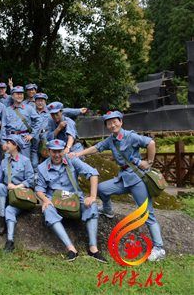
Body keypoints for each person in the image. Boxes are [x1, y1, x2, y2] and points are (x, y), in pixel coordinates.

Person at [68, 111, 165, 262]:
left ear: (121, 122)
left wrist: (149, 162)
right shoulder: (111, 140)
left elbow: (150, 143)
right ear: (106, 126)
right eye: (109, 123)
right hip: (123, 177)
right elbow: (96, 148)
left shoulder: (130, 136)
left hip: (137, 179)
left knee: (147, 214)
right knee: (101, 189)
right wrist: (77, 154)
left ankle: (159, 248)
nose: (112, 125)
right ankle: (108, 210)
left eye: (115, 122)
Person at [36, 139, 107, 262]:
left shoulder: (71, 159)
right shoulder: (42, 167)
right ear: (48, 152)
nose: (57, 155)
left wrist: (92, 196)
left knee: (93, 207)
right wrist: (45, 200)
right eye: (54, 152)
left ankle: (93, 249)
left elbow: (93, 173)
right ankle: (71, 249)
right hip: (56, 203)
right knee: (47, 210)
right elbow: (39, 189)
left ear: (64, 150)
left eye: (59, 151)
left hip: (75, 201)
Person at [0, 134, 34, 252]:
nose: (5, 145)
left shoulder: (25, 161)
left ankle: (10, 241)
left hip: (20, 197)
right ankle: (2, 220)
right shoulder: (4, 161)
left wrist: (17, 187)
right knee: (1, 186)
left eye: (8, 143)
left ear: (15, 145)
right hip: (7, 196)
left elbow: (30, 180)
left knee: (10, 210)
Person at [32, 93, 87, 171]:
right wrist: (58, 129)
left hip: (73, 149)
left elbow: (70, 136)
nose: (55, 116)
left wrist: (67, 148)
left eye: (56, 113)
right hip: (61, 149)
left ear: (61, 112)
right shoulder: (51, 121)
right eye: (52, 114)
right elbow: (49, 137)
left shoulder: (68, 121)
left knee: (76, 170)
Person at [4, 86, 40, 159]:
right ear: (12, 96)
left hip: (24, 139)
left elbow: (38, 121)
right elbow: (3, 127)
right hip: (11, 140)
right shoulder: (7, 110)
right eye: (17, 94)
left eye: (21, 94)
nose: (20, 96)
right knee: (9, 162)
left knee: (24, 162)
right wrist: (3, 141)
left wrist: (32, 135)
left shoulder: (29, 108)